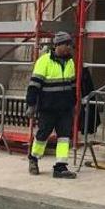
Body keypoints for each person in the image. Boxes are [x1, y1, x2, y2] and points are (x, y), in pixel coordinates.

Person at [26, 32, 78, 179]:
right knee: (42, 135)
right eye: (66, 44)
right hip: (48, 107)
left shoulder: (70, 62)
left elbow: (72, 85)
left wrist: (74, 103)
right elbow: (34, 85)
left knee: (64, 138)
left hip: (65, 108)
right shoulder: (44, 61)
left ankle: (60, 167)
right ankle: (33, 159)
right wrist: (31, 104)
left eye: (70, 45)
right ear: (57, 45)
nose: (69, 48)